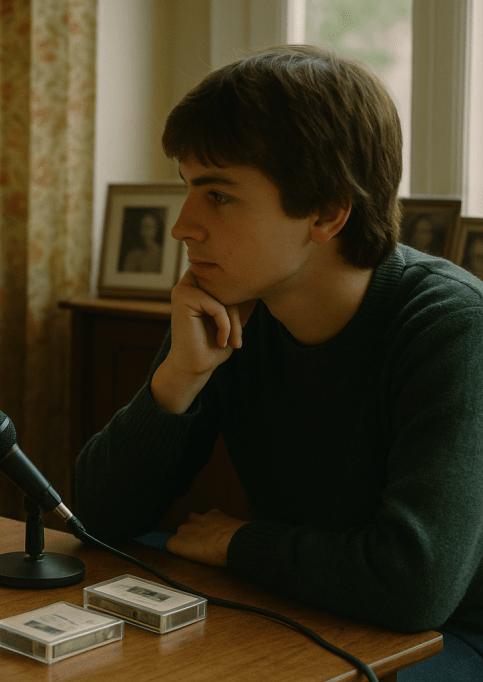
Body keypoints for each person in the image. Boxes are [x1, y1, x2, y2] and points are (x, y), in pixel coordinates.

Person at [74, 46, 483, 680]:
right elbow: (99, 518)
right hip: (306, 604)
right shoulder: (235, 303)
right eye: (188, 189)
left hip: (450, 636)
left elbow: (414, 587)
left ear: (327, 211)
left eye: (219, 196)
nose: (183, 226)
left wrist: (239, 543)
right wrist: (179, 379)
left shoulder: (452, 326)